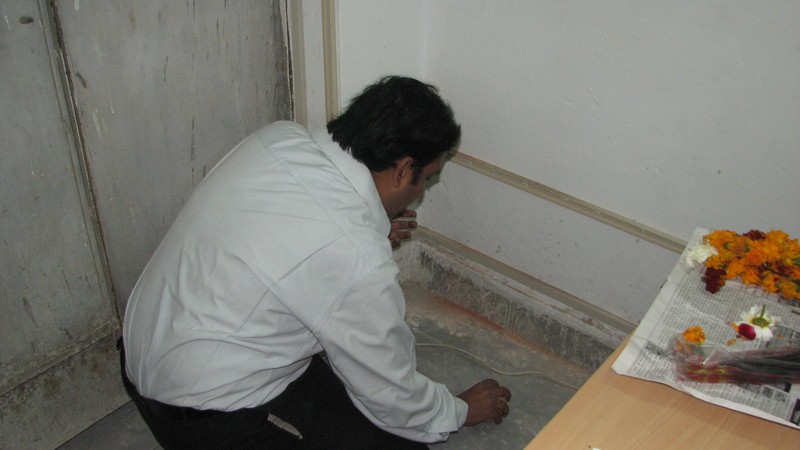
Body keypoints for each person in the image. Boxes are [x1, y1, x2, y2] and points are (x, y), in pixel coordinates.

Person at [121, 76, 511, 449]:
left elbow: (291, 229)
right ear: (403, 169)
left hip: (149, 351)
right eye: (426, 178)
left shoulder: (280, 138)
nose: (422, 191)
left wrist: (364, 231)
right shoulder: (356, 257)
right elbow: (393, 396)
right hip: (202, 417)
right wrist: (459, 411)